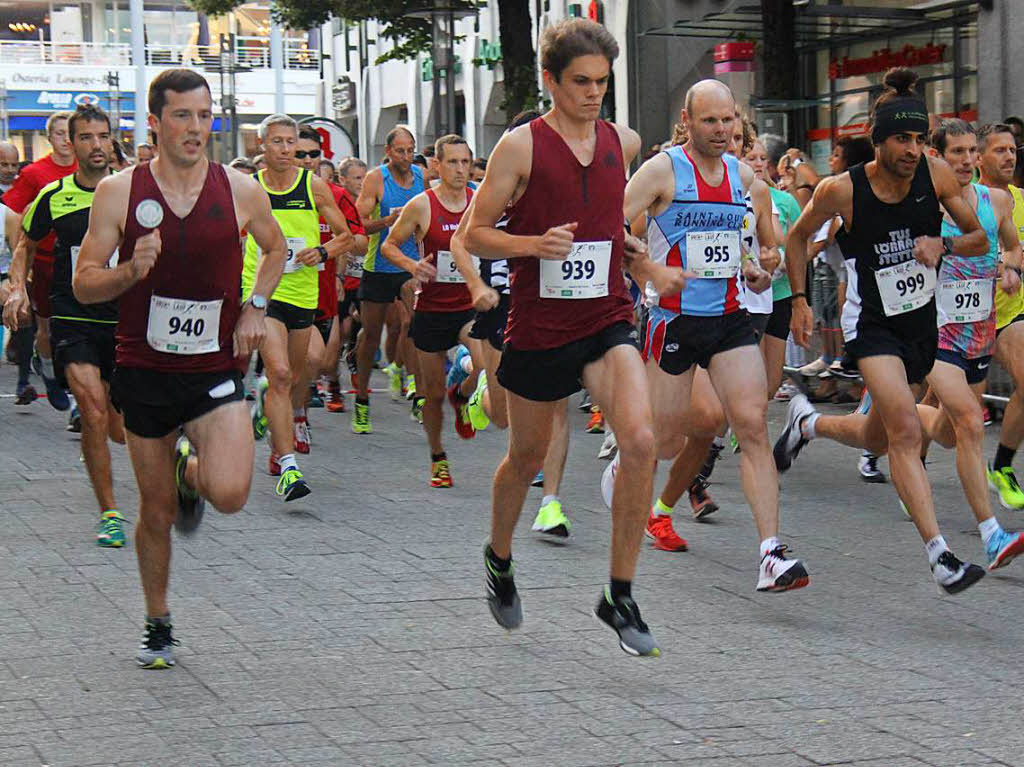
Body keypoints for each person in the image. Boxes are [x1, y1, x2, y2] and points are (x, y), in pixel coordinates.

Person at [465, 18, 685, 656]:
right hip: (538, 327)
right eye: (581, 82)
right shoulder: (521, 147)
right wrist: (533, 244)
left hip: (604, 317)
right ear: (551, 81)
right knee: (527, 457)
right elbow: (472, 234)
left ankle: (619, 591)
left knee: (640, 440)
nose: (594, 94)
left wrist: (640, 261)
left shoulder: (623, 140)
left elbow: (610, 228)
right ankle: (499, 556)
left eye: (602, 82)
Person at [72, 68, 290, 668]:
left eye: (204, 115)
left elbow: (277, 249)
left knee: (231, 492)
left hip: (214, 366)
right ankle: (157, 618)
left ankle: (194, 473)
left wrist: (257, 306)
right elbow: (84, 283)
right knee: (156, 510)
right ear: (155, 122)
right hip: (142, 369)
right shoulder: (119, 192)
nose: (197, 128)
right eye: (183, 116)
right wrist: (128, 273)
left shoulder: (240, 190)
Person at [777, 67, 990, 594]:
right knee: (905, 431)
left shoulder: (935, 177)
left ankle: (808, 424)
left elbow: (979, 237)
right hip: (872, 326)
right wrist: (801, 300)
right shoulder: (839, 190)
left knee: (875, 432)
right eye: (902, 139)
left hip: (922, 322)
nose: (913, 149)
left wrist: (944, 245)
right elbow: (797, 239)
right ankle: (941, 557)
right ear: (878, 141)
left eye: (919, 139)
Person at [624, 79, 807, 593]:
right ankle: (627, 459)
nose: (722, 129)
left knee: (751, 426)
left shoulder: (746, 178)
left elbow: (763, 250)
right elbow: (612, 227)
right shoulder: (662, 171)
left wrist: (760, 268)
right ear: (687, 120)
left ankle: (771, 552)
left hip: (728, 318)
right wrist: (650, 274)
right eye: (710, 121)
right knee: (663, 442)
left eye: (728, 119)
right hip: (674, 321)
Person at [3, 104, 128, 547]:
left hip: (126, 322)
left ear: (112, 141)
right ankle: (110, 512)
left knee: (118, 426)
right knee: (93, 412)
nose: (97, 145)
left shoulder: (136, 193)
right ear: (71, 145)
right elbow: (25, 243)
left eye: (103, 136)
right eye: (87, 137)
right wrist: (17, 286)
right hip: (73, 317)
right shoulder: (55, 195)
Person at [914, 119, 1024, 570]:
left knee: (945, 430)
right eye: (954, 152)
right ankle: (991, 533)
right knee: (970, 423)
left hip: (976, 333)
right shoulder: (924, 204)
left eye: (969, 151)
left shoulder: (997, 201)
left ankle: (893, 415)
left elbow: (1014, 247)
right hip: (933, 332)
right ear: (937, 157)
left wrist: (1011, 268)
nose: (964, 159)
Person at [244, 114, 355, 498]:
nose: (286, 149)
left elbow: (348, 237)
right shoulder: (249, 189)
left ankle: (278, 429)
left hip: (303, 295)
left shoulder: (314, 186)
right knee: (277, 373)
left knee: (305, 369)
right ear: (262, 146)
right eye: (277, 141)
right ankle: (289, 468)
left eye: (290, 142)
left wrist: (322, 252)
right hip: (263, 294)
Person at [381, 134, 478, 486]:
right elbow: (389, 245)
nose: (460, 169)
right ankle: (438, 456)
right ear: (437, 165)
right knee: (432, 395)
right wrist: (412, 265)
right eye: (452, 162)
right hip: (432, 309)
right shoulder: (422, 205)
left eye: (466, 162)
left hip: (469, 306)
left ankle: (463, 394)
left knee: (485, 363)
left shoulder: (479, 200)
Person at [2, 111, 78, 411]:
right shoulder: (35, 174)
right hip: (45, 262)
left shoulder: (89, 171)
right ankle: (45, 366)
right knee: (46, 330)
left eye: (69, 133)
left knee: (75, 331)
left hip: (81, 262)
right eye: (59, 133)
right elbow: (8, 210)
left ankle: (77, 403)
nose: (65, 139)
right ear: (50, 138)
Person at [353, 126, 424, 433]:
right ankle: (362, 398)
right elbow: (359, 224)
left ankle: (418, 394)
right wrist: (388, 221)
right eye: (400, 151)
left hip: (409, 264)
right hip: (379, 265)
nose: (406, 156)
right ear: (388, 150)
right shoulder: (375, 179)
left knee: (414, 326)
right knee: (371, 336)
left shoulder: (422, 178)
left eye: (410, 150)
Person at [295, 127, 367, 423]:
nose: (307, 160)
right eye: (300, 154)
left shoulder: (335, 197)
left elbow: (359, 242)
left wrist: (334, 254)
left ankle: (300, 403)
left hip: (323, 290)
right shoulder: (268, 193)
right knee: (289, 362)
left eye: (313, 154)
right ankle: (290, 420)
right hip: (282, 292)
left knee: (322, 360)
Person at [978, 123, 1024, 508]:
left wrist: (1015, 268)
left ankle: (1002, 467)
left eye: (1012, 149)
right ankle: (915, 461)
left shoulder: (1021, 200)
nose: (1009, 156)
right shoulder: (965, 201)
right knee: (942, 409)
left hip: (1011, 314)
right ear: (979, 157)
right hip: (966, 317)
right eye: (1000, 150)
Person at [335, 157, 368, 397]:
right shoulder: (335, 203)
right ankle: (333, 384)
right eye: (358, 178)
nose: (362, 182)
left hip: (366, 276)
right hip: (342, 278)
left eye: (365, 177)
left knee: (365, 326)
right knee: (342, 330)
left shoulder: (371, 201)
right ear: (342, 179)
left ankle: (354, 359)